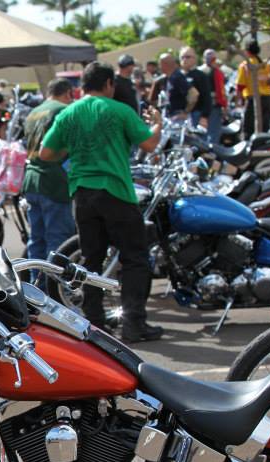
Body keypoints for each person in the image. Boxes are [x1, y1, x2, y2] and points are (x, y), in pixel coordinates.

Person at [39, 62, 164, 343]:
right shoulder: (120, 110)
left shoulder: (69, 113)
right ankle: (134, 323)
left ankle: (93, 324)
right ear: (109, 84)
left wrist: (72, 150)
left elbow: (46, 153)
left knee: (91, 259)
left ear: (82, 85)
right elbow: (150, 145)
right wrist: (157, 123)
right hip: (116, 191)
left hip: (82, 193)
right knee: (134, 259)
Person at [22, 79, 75, 285]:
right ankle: (55, 289)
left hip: (32, 179)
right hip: (54, 181)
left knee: (37, 239)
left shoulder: (34, 112)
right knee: (58, 241)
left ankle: (36, 286)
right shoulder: (63, 110)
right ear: (68, 93)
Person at [236, 40, 270, 137]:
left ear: (247, 51)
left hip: (253, 99)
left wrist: (239, 101)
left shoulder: (245, 66)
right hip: (267, 98)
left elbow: (240, 85)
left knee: (248, 127)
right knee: (265, 126)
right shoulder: (265, 65)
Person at [199, 49, 229, 143]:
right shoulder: (216, 72)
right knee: (213, 133)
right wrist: (224, 105)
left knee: (203, 133)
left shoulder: (199, 71)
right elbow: (220, 90)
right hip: (212, 106)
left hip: (203, 106)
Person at [180, 47, 211, 133]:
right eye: (182, 57)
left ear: (195, 59)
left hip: (196, 114)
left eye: (188, 57)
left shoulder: (201, 76)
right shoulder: (178, 76)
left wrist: (204, 117)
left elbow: (207, 97)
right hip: (179, 116)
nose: (185, 60)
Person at [159, 52, 191, 118]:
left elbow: (194, 94)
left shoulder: (178, 77)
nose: (159, 66)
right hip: (170, 114)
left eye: (160, 64)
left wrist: (185, 112)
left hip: (178, 115)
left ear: (165, 64)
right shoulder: (167, 78)